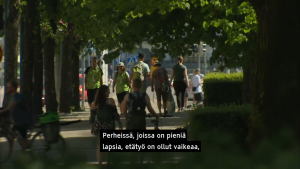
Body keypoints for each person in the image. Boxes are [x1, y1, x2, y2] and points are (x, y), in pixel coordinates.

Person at [122, 79, 158, 163]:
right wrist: (156, 115)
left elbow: (124, 110)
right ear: (140, 86)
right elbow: (150, 108)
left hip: (131, 122)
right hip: (141, 122)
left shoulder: (128, 96)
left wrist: (127, 118)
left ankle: (131, 161)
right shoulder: (145, 96)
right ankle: (140, 161)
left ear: (133, 85)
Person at [90, 85, 122, 165]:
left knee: (99, 146)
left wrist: (92, 127)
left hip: (99, 126)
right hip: (109, 126)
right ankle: (108, 162)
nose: (109, 92)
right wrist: (119, 123)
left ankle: (100, 164)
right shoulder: (111, 101)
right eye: (108, 91)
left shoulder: (95, 103)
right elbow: (115, 114)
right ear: (104, 92)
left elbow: (92, 117)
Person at [0, 81, 31, 148]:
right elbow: (7, 107)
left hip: (22, 121)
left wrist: (3, 111)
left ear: (13, 88)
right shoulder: (12, 97)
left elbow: (11, 106)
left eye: (9, 87)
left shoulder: (17, 96)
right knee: (14, 137)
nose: (7, 89)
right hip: (18, 121)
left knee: (22, 140)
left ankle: (30, 155)